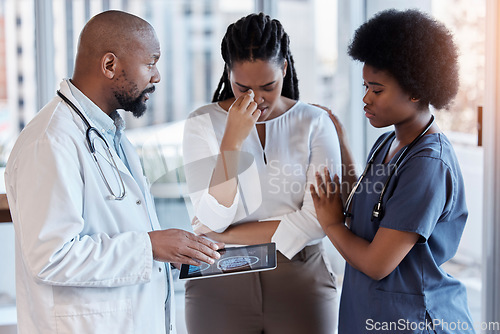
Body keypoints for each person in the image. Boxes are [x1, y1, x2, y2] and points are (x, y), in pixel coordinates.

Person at [4, 10, 222, 334]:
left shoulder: (110, 135)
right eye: (150, 63)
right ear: (110, 66)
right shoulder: (50, 142)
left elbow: (122, 230)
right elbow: (51, 257)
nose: (157, 76)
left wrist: (166, 249)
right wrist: (149, 246)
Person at [310, 9, 475, 334]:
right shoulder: (389, 142)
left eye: (377, 89)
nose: (365, 98)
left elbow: (377, 263)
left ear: (415, 90)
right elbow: (369, 208)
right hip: (370, 314)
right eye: (365, 86)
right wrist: (341, 141)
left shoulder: (428, 165)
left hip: (413, 319)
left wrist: (329, 222)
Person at [182, 12, 341, 334]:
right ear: (228, 73)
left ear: (284, 68)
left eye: (268, 85)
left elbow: (317, 221)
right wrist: (232, 140)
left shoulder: (314, 122)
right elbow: (212, 219)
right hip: (218, 277)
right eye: (242, 87)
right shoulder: (201, 123)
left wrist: (224, 237)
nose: (256, 98)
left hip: (300, 274)